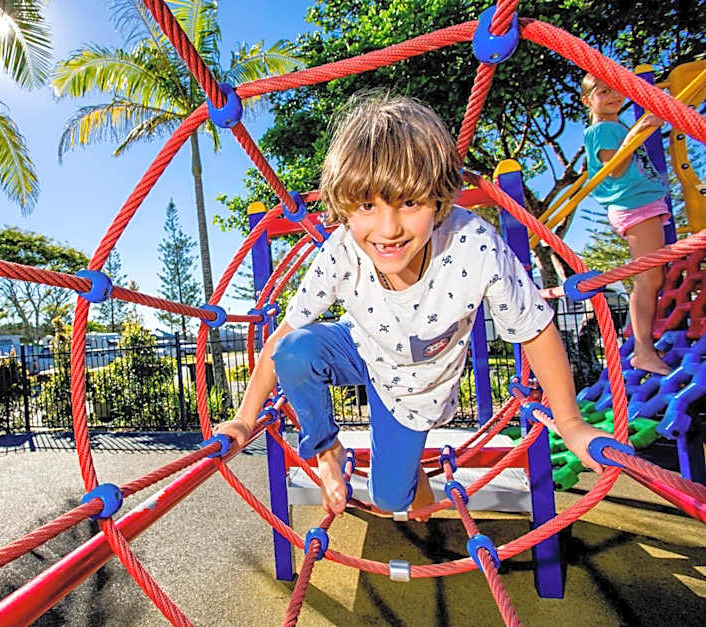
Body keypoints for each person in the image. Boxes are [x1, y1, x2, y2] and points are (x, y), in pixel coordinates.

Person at [216, 93, 609, 518]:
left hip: (412, 388)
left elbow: (535, 328)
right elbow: (283, 336)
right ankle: (327, 449)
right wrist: (243, 419)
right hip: (362, 345)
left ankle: (407, 480)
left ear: (439, 199)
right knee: (294, 351)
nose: (388, 229)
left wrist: (569, 423)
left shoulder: (473, 245)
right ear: (345, 207)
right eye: (367, 205)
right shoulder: (341, 251)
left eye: (409, 202)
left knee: (391, 502)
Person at [581, 73, 672, 375]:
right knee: (648, 279)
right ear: (587, 100)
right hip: (634, 204)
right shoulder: (604, 129)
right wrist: (640, 130)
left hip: (641, 203)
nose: (612, 96)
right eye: (602, 91)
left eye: (615, 90)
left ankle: (645, 347)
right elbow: (616, 168)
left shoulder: (613, 126)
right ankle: (643, 350)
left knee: (652, 277)